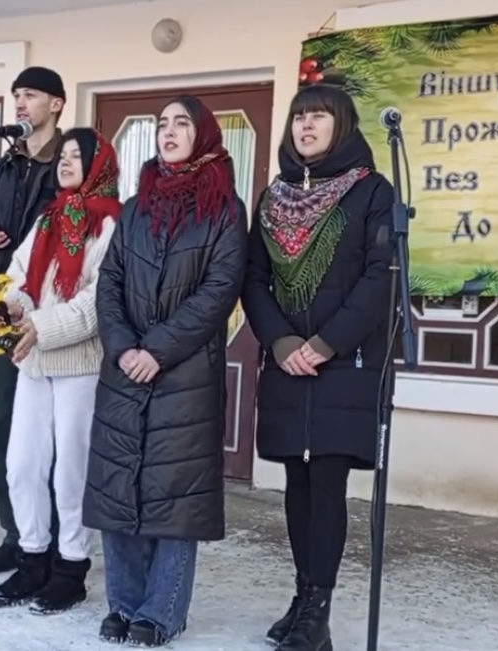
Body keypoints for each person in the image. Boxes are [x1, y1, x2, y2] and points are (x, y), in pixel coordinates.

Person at [83, 96, 248, 647]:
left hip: (185, 373)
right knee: (118, 488)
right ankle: (124, 604)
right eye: (162, 124)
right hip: (125, 368)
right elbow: (109, 281)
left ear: (203, 135)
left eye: (182, 123)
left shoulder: (225, 208)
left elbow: (219, 289)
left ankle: (162, 611)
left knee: (176, 498)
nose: (169, 132)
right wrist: (123, 346)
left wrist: (156, 349)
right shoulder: (137, 206)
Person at [241, 84, 394, 651]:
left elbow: (380, 278)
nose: (305, 126)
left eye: (319, 116)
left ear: (343, 125)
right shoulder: (273, 197)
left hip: (344, 362)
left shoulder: (372, 192)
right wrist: (281, 341)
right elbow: (253, 277)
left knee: (327, 482)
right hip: (287, 363)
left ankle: (319, 612)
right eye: (299, 116)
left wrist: (325, 344)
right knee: (297, 483)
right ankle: (303, 596)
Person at [0, 128, 121, 613]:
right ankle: (32, 558)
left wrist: (38, 325)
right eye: (61, 155)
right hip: (35, 362)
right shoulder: (48, 218)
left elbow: (97, 301)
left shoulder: (110, 224)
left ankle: (71, 568)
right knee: (22, 464)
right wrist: (10, 307)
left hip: (80, 364)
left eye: (76, 156)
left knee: (71, 471)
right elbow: (21, 279)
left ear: (98, 164)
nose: (65, 162)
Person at [0, 65, 66, 575]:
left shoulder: (72, 160)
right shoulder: (5, 166)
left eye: (30, 94)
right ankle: (18, 534)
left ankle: (55, 545)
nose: (20, 104)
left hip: (55, 314)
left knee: (49, 442)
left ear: (57, 103)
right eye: (16, 96)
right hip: (6, 309)